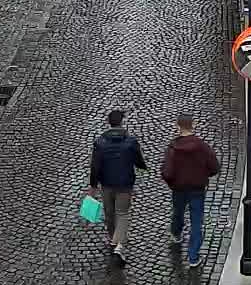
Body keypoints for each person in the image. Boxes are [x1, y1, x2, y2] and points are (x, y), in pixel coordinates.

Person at [160, 115, 221, 269]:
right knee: (196, 222)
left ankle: (176, 234)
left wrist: (172, 183)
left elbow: (166, 172)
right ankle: (193, 256)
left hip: (179, 189)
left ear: (177, 126)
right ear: (194, 125)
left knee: (178, 213)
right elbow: (214, 167)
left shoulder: (173, 148)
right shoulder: (202, 146)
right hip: (197, 189)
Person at [89, 109, 147, 266]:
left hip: (106, 184)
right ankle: (119, 246)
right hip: (124, 185)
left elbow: (95, 166)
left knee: (109, 213)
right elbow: (139, 161)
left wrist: (93, 185)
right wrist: (143, 165)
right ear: (122, 122)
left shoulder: (100, 142)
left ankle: (113, 240)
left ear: (109, 123)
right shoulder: (131, 142)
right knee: (122, 213)